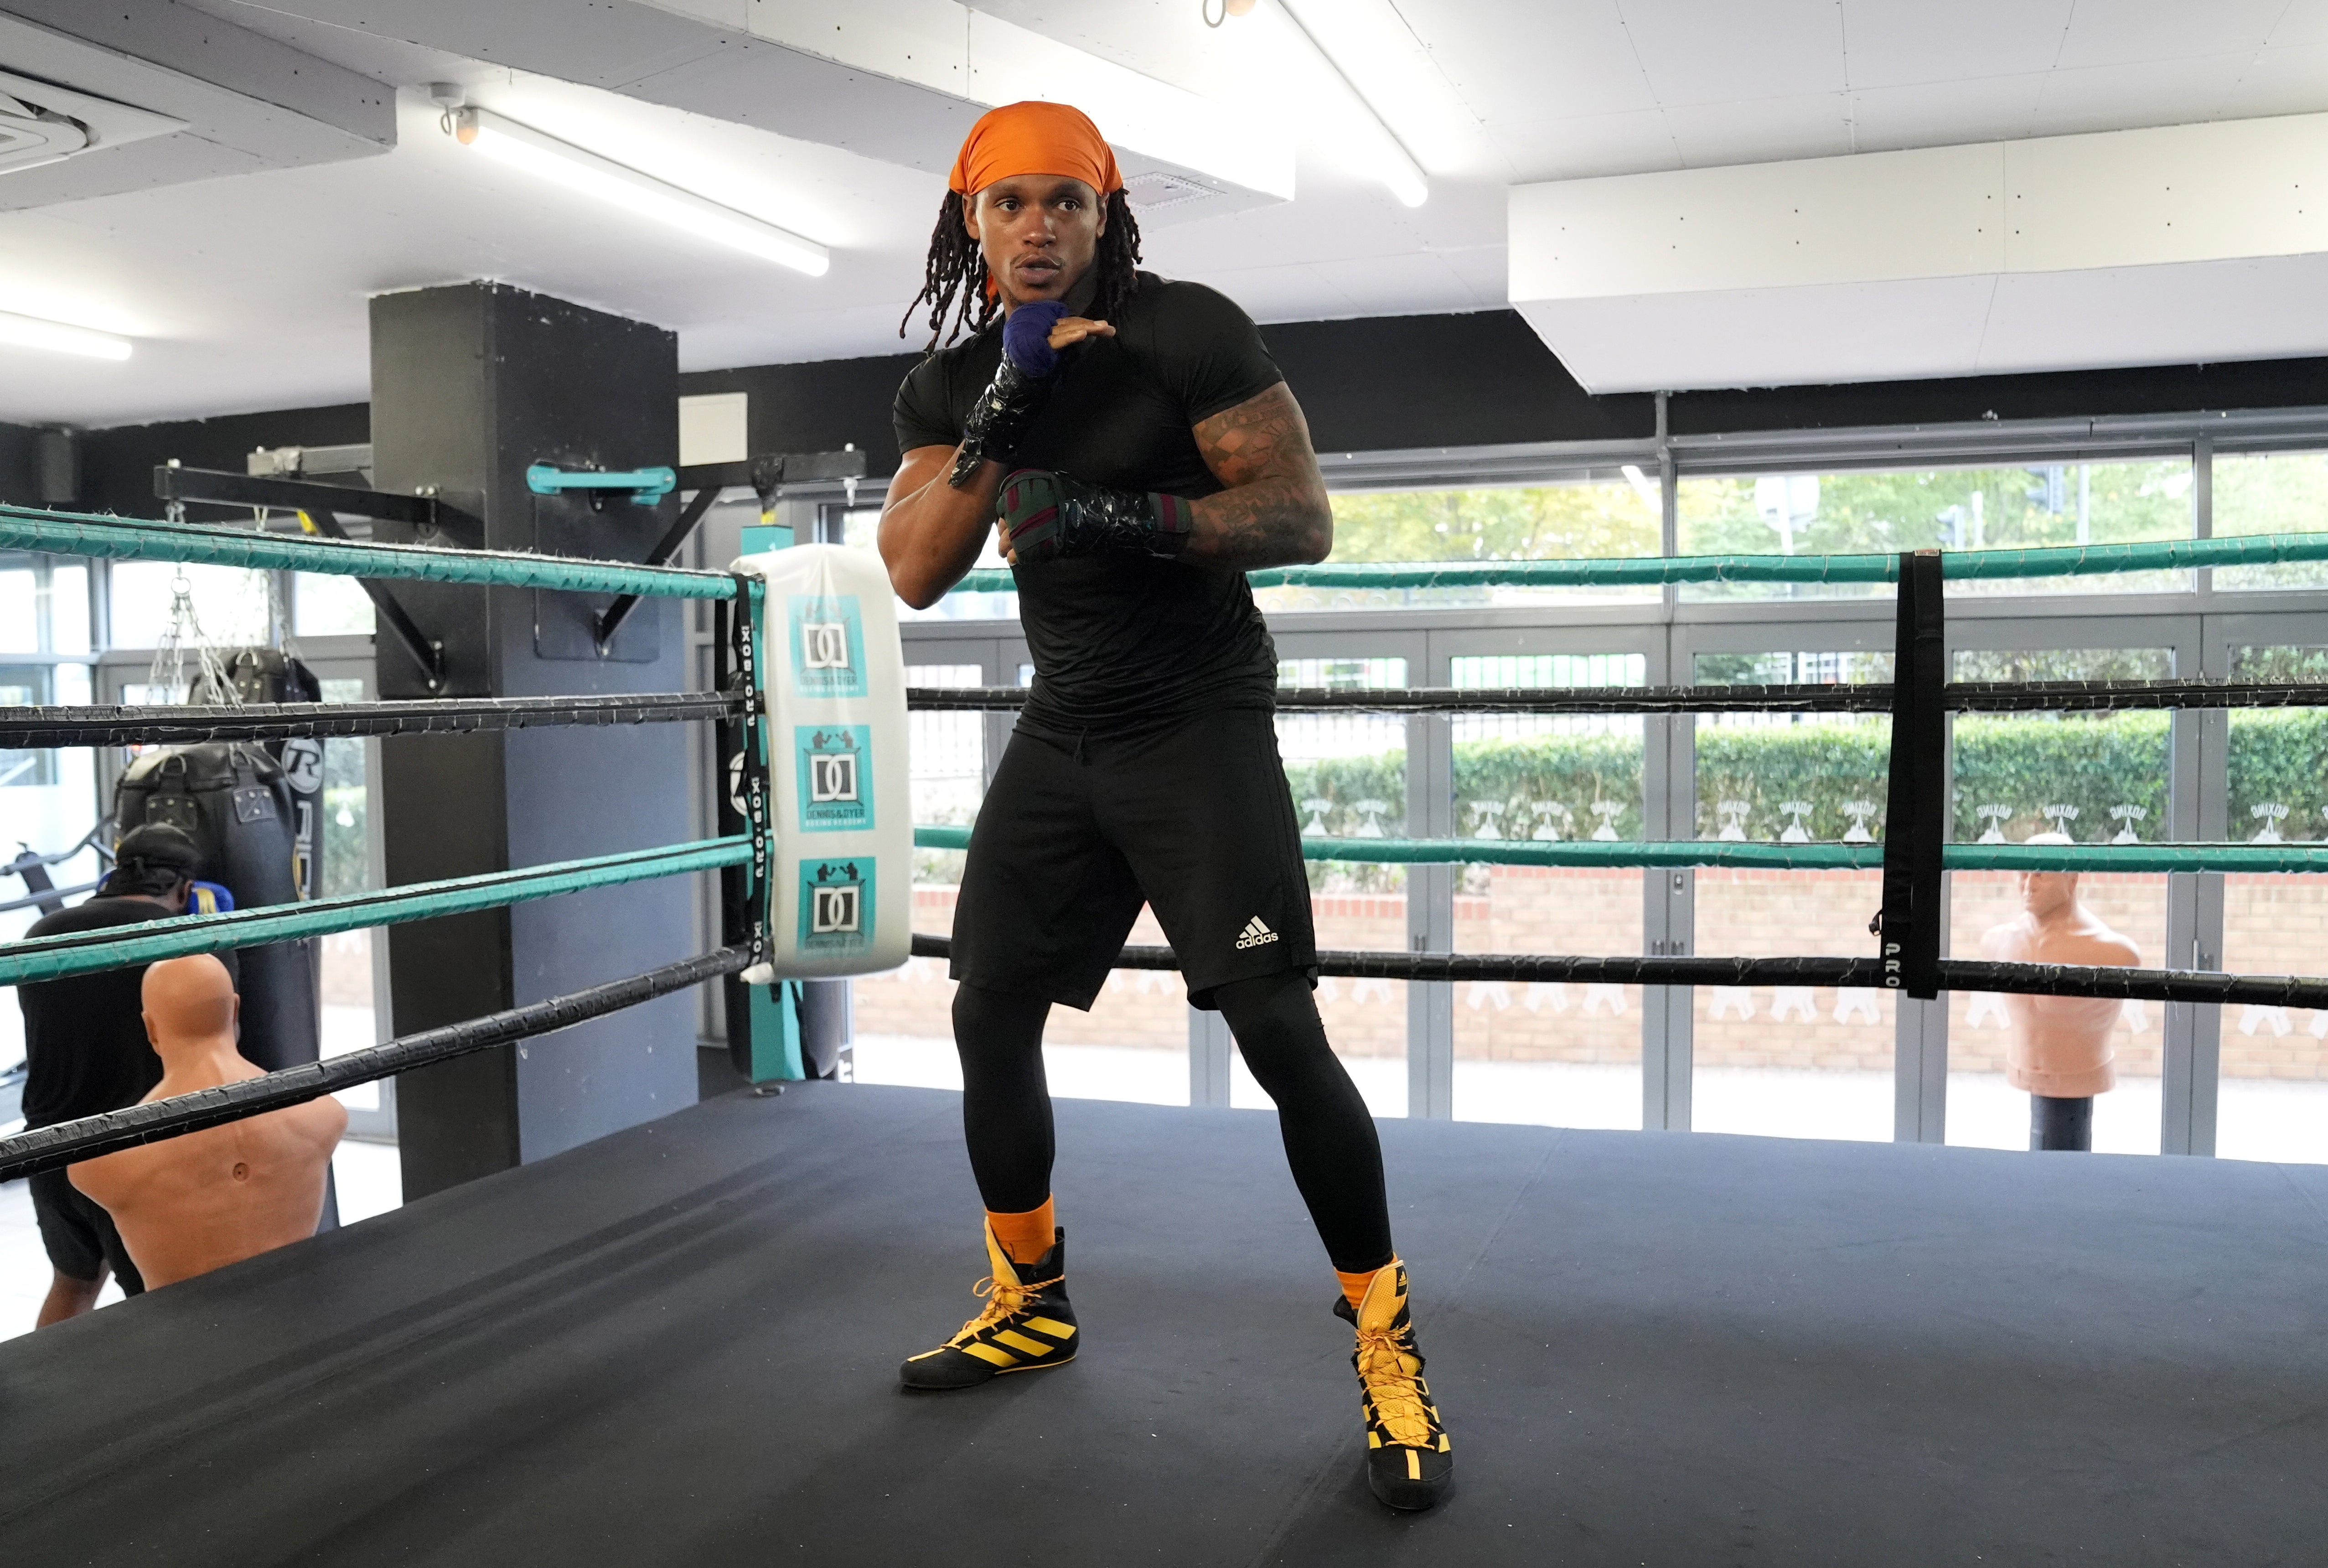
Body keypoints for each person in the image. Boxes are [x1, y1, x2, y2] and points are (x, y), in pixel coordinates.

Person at [878, 100, 1451, 1510]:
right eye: (1010, 204)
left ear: (1104, 213)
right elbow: (911, 567)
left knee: (1272, 1024)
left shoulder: (1187, 333)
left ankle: (1386, 1341)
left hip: (1196, 724)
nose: (1037, 228)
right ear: (973, 219)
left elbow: (1298, 518)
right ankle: (1032, 1292)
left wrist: (1130, 516)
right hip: (1066, 728)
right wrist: (1007, 415)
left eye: (1064, 203)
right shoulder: (954, 384)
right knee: (984, 1004)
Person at [16, 822, 236, 1326]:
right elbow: (223, 1044)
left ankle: (43, 1403)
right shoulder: (189, 947)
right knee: (162, 1303)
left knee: (72, 1284)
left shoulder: (42, 934)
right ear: (185, 888)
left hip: (50, 1148)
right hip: (136, 1153)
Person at [71, 954, 343, 1288]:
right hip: (294, 1315)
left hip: (189, 1333)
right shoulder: (323, 1114)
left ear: (151, 1028)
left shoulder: (103, 1160)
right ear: (236, 1010)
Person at [1977, 833, 2140, 1152]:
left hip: (2083, 1073)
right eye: (2023, 873)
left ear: (2071, 879)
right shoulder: (1997, 942)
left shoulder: (2114, 953)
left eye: (2041, 874)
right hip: (2023, 1066)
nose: (2028, 884)